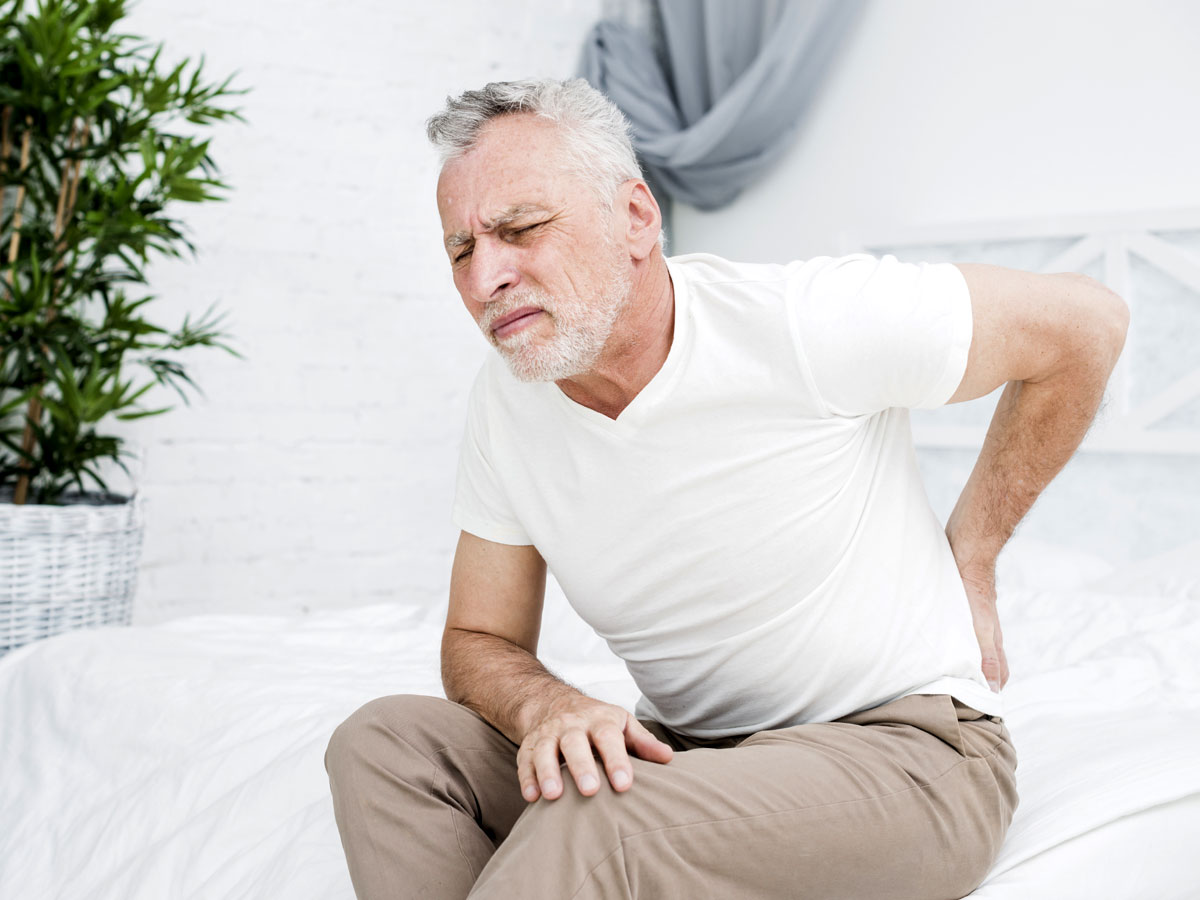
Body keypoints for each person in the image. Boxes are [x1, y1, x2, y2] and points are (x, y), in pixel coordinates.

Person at [324, 77, 1128, 900]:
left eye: (521, 229)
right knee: (384, 746)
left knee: (602, 822)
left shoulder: (805, 320)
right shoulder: (507, 405)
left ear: (635, 218)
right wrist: (547, 707)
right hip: (693, 762)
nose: (483, 278)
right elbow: (478, 637)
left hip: (904, 753)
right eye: (460, 249)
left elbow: (1086, 326)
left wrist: (974, 556)